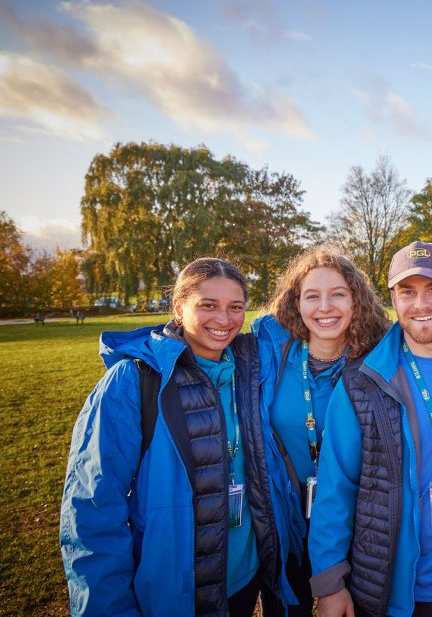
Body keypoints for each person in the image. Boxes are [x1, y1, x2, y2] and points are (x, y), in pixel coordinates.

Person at [60, 258, 296, 616]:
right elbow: (93, 507)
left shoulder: (250, 369)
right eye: (208, 305)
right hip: (173, 594)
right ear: (177, 307)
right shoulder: (133, 380)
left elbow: (299, 321)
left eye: (235, 307)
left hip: (244, 581)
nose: (224, 319)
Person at [309, 241, 432, 617]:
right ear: (393, 299)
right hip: (391, 592)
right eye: (407, 292)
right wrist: (330, 582)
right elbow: (336, 489)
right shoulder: (363, 383)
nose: (421, 304)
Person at [252, 244, 391, 614]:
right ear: (296, 303)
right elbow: (203, 332)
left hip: (356, 519)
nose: (325, 307)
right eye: (312, 296)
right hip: (287, 518)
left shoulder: (379, 361)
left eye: (338, 295)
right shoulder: (271, 352)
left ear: (356, 301)